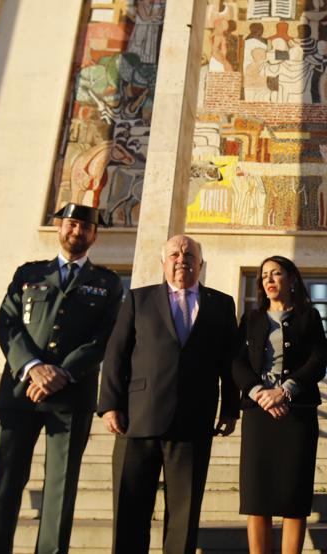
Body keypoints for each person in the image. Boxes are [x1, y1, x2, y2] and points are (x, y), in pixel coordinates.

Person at [0, 203, 124, 554]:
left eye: (84, 228)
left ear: (94, 235)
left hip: (71, 395)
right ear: (60, 228)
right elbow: (8, 323)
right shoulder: (28, 273)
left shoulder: (107, 282)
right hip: (20, 393)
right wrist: (32, 367)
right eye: (71, 225)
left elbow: (105, 336)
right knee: (6, 483)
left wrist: (62, 372)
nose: (77, 232)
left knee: (60, 487)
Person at [99, 234, 241, 554]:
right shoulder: (138, 299)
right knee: (130, 511)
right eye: (175, 254)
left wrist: (231, 409)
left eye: (190, 255)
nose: (182, 259)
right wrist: (110, 405)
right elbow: (116, 354)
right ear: (163, 263)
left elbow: (230, 360)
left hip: (193, 421)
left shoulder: (221, 303)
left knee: (184, 515)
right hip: (137, 420)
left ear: (200, 265)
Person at [232, 256, 327, 554]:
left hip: (296, 415)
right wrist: (260, 392)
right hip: (258, 413)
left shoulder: (309, 317)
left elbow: (318, 361)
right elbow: (237, 362)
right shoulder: (251, 319)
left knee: (293, 498)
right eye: (264, 276)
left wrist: (286, 391)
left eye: (276, 274)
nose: (269, 280)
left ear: (291, 279)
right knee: (257, 497)